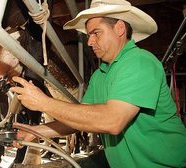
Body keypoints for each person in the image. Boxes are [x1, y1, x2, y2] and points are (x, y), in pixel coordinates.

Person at [10, 0, 186, 167]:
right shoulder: (100, 75)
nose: (89, 41)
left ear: (119, 28)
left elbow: (112, 121)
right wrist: (36, 131)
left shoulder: (139, 62)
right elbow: (79, 120)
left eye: (96, 33)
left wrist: (44, 103)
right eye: (88, 35)